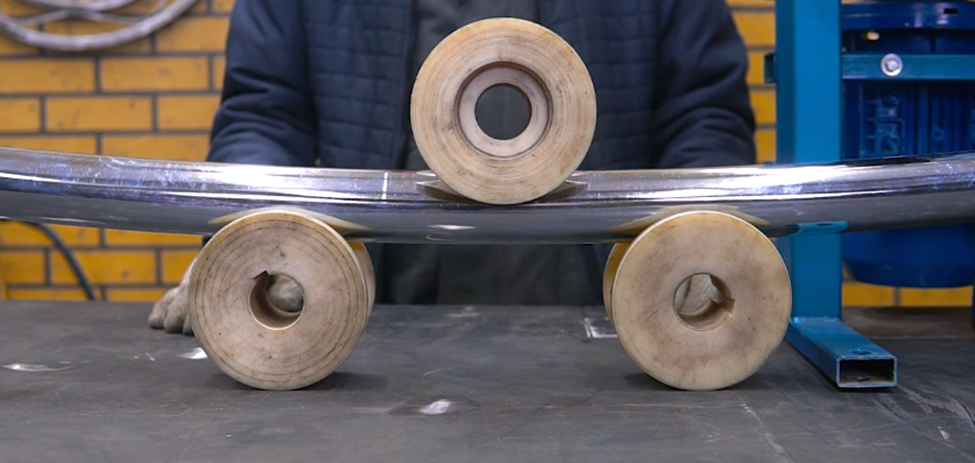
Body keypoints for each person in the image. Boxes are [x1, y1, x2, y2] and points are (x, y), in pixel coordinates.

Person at [149, 0, 757, 334]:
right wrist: (255, 236)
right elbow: (265, 113)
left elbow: (703, 112)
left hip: (602, 330)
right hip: (370, 331)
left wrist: (697, 233)